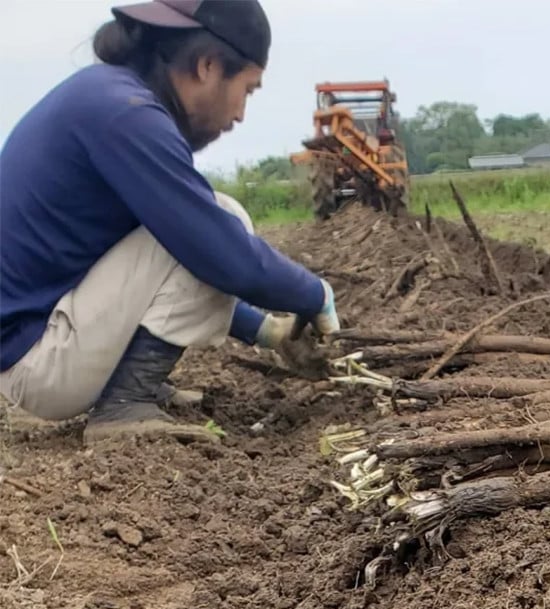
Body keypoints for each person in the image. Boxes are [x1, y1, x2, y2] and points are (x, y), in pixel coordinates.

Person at [0, 0, 340, 445]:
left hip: (31, 350)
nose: (240, 115)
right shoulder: (127, 114)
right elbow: (219, 254)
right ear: (207, 66)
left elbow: (145, 267)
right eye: (248, 90)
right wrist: (315, 295)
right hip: (39, 365)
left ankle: (130, 385)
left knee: (201, 226)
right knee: (224, 218)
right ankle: (125, 403)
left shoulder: (107, 96)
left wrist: (263, 331)